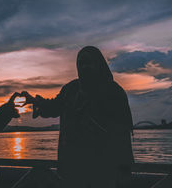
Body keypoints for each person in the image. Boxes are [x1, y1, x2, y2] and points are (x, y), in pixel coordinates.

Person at [22, 46, 134, 188]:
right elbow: (54, 107)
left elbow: (122, 136)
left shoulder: (113, 92)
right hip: (71, 166)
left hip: (103, 168)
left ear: (99, 64)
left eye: (88, 62)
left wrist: (123, 170)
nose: (84, 67)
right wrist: (35, 101)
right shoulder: (71, 90)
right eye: (81, 63)